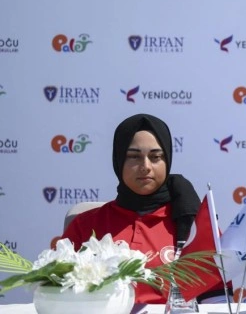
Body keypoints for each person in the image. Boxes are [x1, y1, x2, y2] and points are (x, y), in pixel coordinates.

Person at [62, 113, 220, 304]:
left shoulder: (195, 223)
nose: (145, 166)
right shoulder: (84, 225)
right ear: (119, 160)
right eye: (134, 157)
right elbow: (57, 294)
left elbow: (217, 300)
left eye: (155, 157)